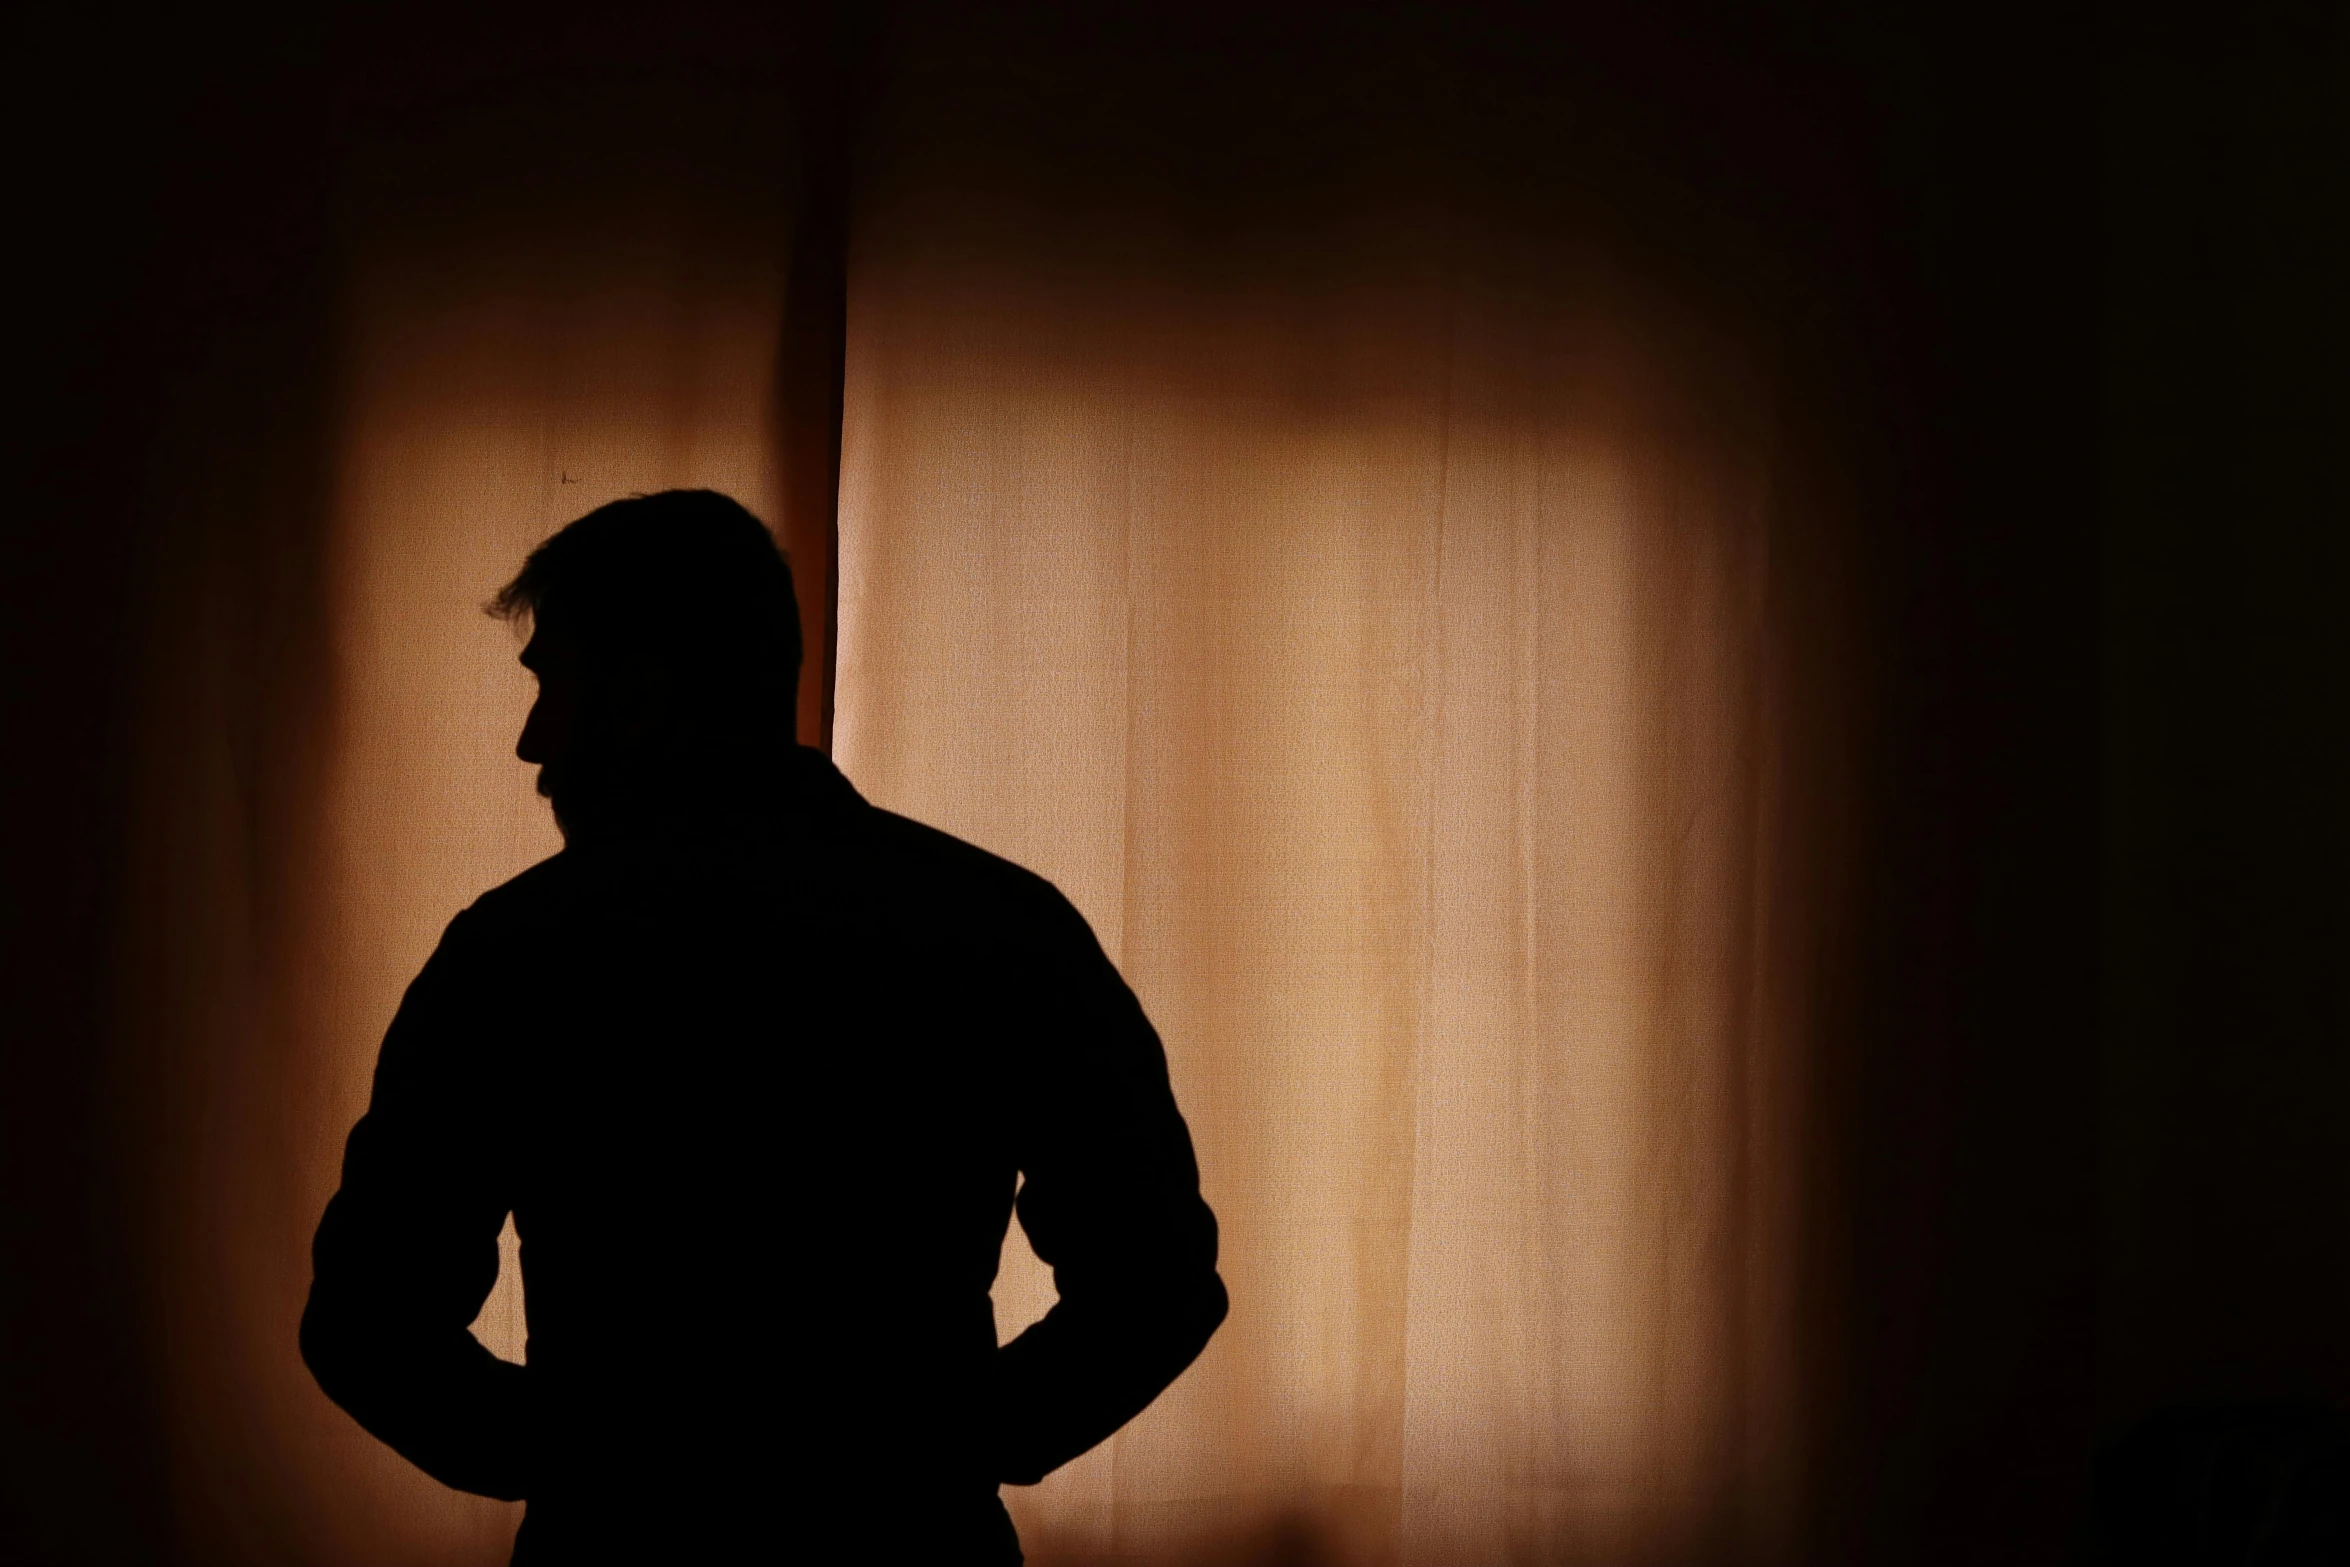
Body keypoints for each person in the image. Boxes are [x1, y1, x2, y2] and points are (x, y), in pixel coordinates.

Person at [300, 490, 1227, 1564]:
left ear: (640, 695)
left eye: (552, 687)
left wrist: (588, 1460)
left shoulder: (518, 951)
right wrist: (953, 1446)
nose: (531, 743)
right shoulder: (1001, 924)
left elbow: (366, 1322)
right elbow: (1157, 1283)